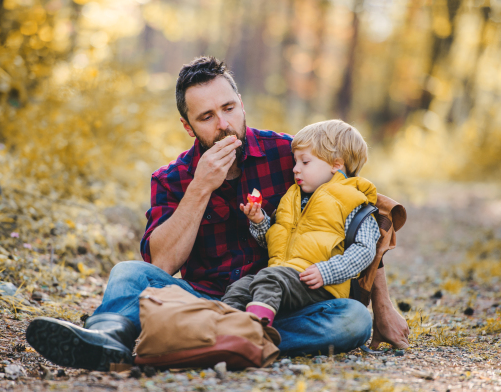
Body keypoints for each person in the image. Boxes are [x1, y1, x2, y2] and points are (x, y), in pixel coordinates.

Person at [25, 57, 409, 371]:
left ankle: (185, 340)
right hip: (201, 300)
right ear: (188, 126)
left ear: (242, 104)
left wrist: (382, 303)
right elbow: (162, 263)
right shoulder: (173, 178)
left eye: (228, 108)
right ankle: (110, 338)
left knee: (352, 320)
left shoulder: (287, 154)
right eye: (206, 116)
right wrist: (201, 186)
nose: (224, 125)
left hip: (277, 305)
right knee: (128, 273)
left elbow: (359, 217)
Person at [222, 120, 380, 327]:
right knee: (240, 288)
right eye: (295, 162)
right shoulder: (292, 198)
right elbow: (274, 242)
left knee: (270, 280)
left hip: (320, 285)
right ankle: (221, 331)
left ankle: (254, 333)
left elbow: (365, 250)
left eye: (304, 162)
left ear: (336, 165)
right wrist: (260, 222)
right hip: (281, 276)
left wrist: (327, 272)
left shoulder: (352, 200)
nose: (295, 169)